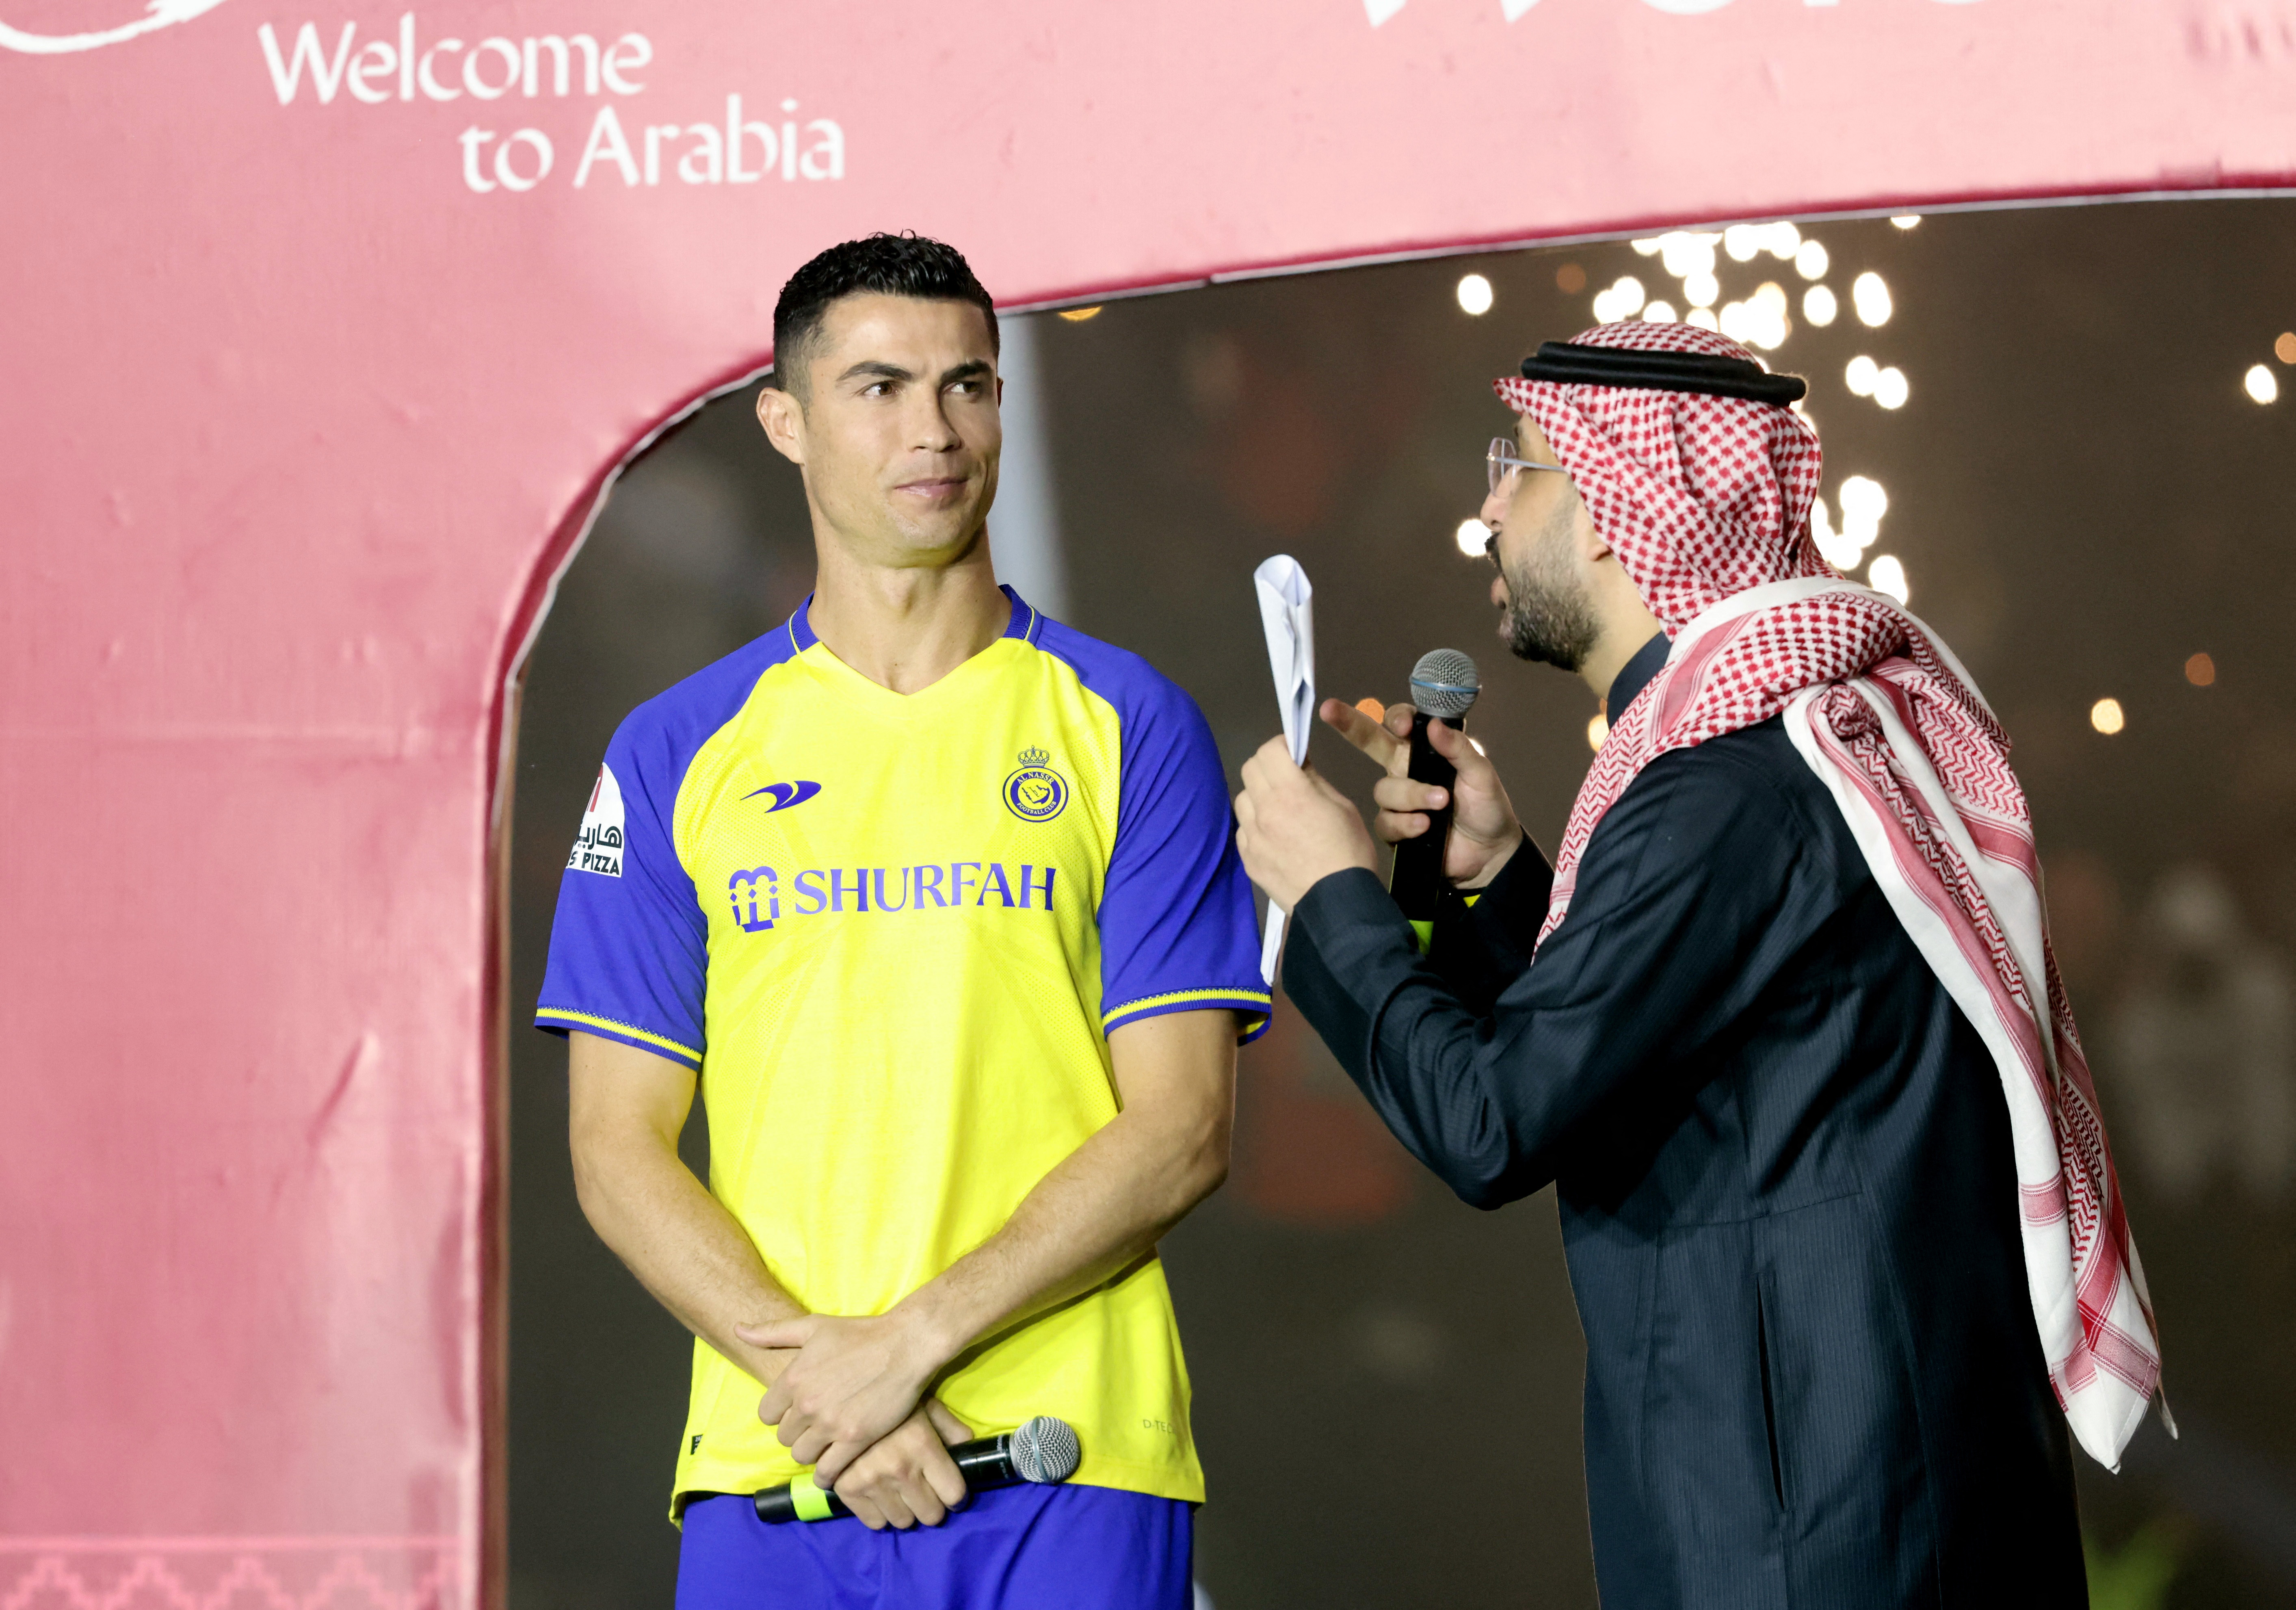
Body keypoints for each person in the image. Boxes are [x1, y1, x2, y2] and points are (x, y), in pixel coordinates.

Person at [1233, 321, 2165, 1607]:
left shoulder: (1723, 790)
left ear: (1625, 508)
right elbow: (1665, 1059)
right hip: (1879, 1502)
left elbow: (1495, 1120)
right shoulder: (1795, 741)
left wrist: (1330, 892)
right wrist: (1498, 879)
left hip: (1817, 1535)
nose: (1489, 505)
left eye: (1526, 466)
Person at [536, 232, 1270, 1608]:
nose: (934, 430)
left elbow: (1184, 1128)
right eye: (879, 386)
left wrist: (904, 1348)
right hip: (780, 1461)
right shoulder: (671, 750)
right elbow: (611, 1145)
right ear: (786, 420)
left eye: (969, 386)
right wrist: (831, 1386)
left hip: (1070, 1460)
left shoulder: (1130, 724)